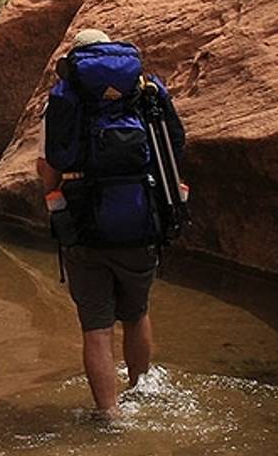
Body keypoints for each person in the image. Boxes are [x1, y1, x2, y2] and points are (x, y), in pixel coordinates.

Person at [37, 28, 188, 418]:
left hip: (84, 229)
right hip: (140, 222)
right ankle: (141, 390)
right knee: (137, 314)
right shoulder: (144, 97)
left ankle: (110, 415)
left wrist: (56, 206)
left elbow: (49, 167)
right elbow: (169, 153)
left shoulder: (64, 103)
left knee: (97, 328)